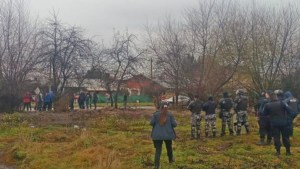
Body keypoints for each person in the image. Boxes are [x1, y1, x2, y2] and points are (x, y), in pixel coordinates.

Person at [262, 91, 296, 156]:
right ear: (276, 97)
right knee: (285, 137)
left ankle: (278, 152)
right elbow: (290, 110)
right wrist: (288, 118)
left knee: (276, 137)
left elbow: (264, 114)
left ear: (270, 98)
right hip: (284, 122)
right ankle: (288, 151)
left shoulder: (267, 105)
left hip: (274, 123)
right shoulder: (282, 103)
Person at [150, 102, 177, 169]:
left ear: (160, 106)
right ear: (167, 107)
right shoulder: (170, 114)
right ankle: (171, 160)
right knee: (169, 147)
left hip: (157, 135)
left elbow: (151, 123)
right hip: (168, 135)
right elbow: (174, 124)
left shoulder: (155, 114)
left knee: (158, 150)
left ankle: (156, 165)